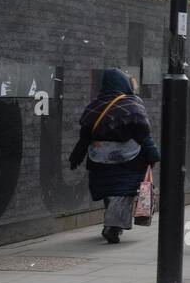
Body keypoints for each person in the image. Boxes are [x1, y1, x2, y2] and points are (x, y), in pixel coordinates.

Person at [68, 68, 161, 244]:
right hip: (128, 159)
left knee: (109, 191)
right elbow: (143, 134)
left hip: (99, 159)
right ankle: (113, 226)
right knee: (123, 192)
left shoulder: (95, 105)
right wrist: (153, 155)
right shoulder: (132, 104)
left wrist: (77, 156)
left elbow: (85, 136)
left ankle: (113, 223)